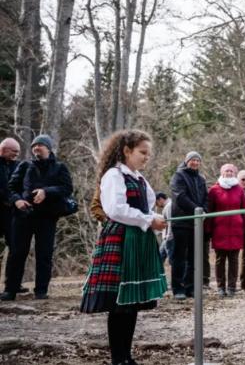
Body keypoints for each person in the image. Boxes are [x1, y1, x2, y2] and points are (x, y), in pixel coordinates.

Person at [79, 130, 167, 365]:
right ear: (127, 151)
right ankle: (118, 359)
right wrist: (149, 220)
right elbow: (115, 209)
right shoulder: (114, 175)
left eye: (148, 153)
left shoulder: (139, 178)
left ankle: (126, 357)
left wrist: (155, 220)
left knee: (131, 302)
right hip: (120, 240)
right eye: (142, 152)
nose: (146, 157)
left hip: (138, 240)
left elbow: (146, 208)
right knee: (119, 304)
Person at [1, 134, 74, 301]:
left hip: (47, 218)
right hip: (23, 216)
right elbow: (11, 187)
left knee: (44, 254)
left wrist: (46, 192)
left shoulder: (59, 167)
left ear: (48, 148)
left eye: (39, 145)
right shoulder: (25, 165)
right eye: (34, 146)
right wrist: (17, 200)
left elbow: (67, 188)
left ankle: (41, 291)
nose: (35, 148)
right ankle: (10, 290)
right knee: (17, 253)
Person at [206, 164, 245, 297]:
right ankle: (221, 287)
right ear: (222, 172)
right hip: (219, 230)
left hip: (236, 230)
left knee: (234, 259)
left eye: (232, 171)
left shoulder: (239, 190)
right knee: (220, 260)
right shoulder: (214, 190)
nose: (229, 173)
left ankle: (232, 287)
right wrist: (207, 229)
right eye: (227, 170)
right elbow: (210, 210)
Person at [169, 151, 208, 300]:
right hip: (181, 222)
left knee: (194, 257)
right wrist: (196, 210)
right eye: (192, 160)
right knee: (179, 257)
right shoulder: (178, 176)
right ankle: (178, 288)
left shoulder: (201, 178)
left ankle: (190, 287)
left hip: (196, 223)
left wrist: (203, 210)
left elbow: (206, 197)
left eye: (198, 160)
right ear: (186, 161)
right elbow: (180, 197)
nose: (195, 163)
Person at [0, 138, 20, 256]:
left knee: (15, 247)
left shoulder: (18, 166)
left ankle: (11, 275)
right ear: (4, 150)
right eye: (14, 151)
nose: (17, 154)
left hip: (11, 213)